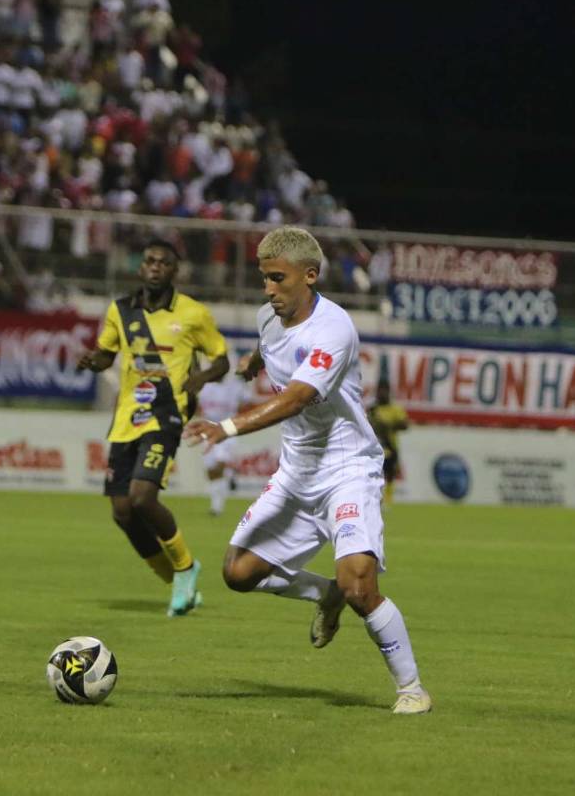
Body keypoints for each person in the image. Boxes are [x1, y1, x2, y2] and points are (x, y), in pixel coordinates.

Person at [183, 226, 431, 714]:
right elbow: (270, 343)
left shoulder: (333, 329)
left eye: (278, 278)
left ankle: (412, 689)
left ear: (309, 276)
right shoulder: (268, 316)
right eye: (264, 278)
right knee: (237, 571)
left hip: (346, 471)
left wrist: (227, 427)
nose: (268, 289)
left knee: (361, 586)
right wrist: (254, 361)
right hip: (296, 473)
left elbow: (298, 398)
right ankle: (327, 595)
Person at [77, 239, 230, 617]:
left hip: (166, 414)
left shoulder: (193, 314)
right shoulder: (121, 310)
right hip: (126, 418)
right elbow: (106, 355)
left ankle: (184, 568)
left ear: (175, 271)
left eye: (164, 262)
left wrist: (201, 379)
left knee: (143, 497)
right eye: (149, 261)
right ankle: (179, 580)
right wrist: (93, 361)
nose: (156, 267)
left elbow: (222, 360)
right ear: (140, 268)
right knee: (123, 512)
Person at [195, 368, 251, 516]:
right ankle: (230, 473)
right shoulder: (204, 387)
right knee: (211, 471)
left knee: (219, 465)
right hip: (208, 430)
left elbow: (248, 400)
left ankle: (216, 508)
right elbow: (196, 406)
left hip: (228, 430)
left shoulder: (235, 386)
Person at [368, 380, 409, 502]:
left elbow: (405, 425)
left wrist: (389, 424)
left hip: (390, 445)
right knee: (374, 473)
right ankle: (375, 498)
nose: (382, 393)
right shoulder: (372, 409)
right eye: (380, 391)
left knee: (389, 473)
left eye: (384, 391)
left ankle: (388, 499)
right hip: (374, 446)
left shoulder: (395, 409)